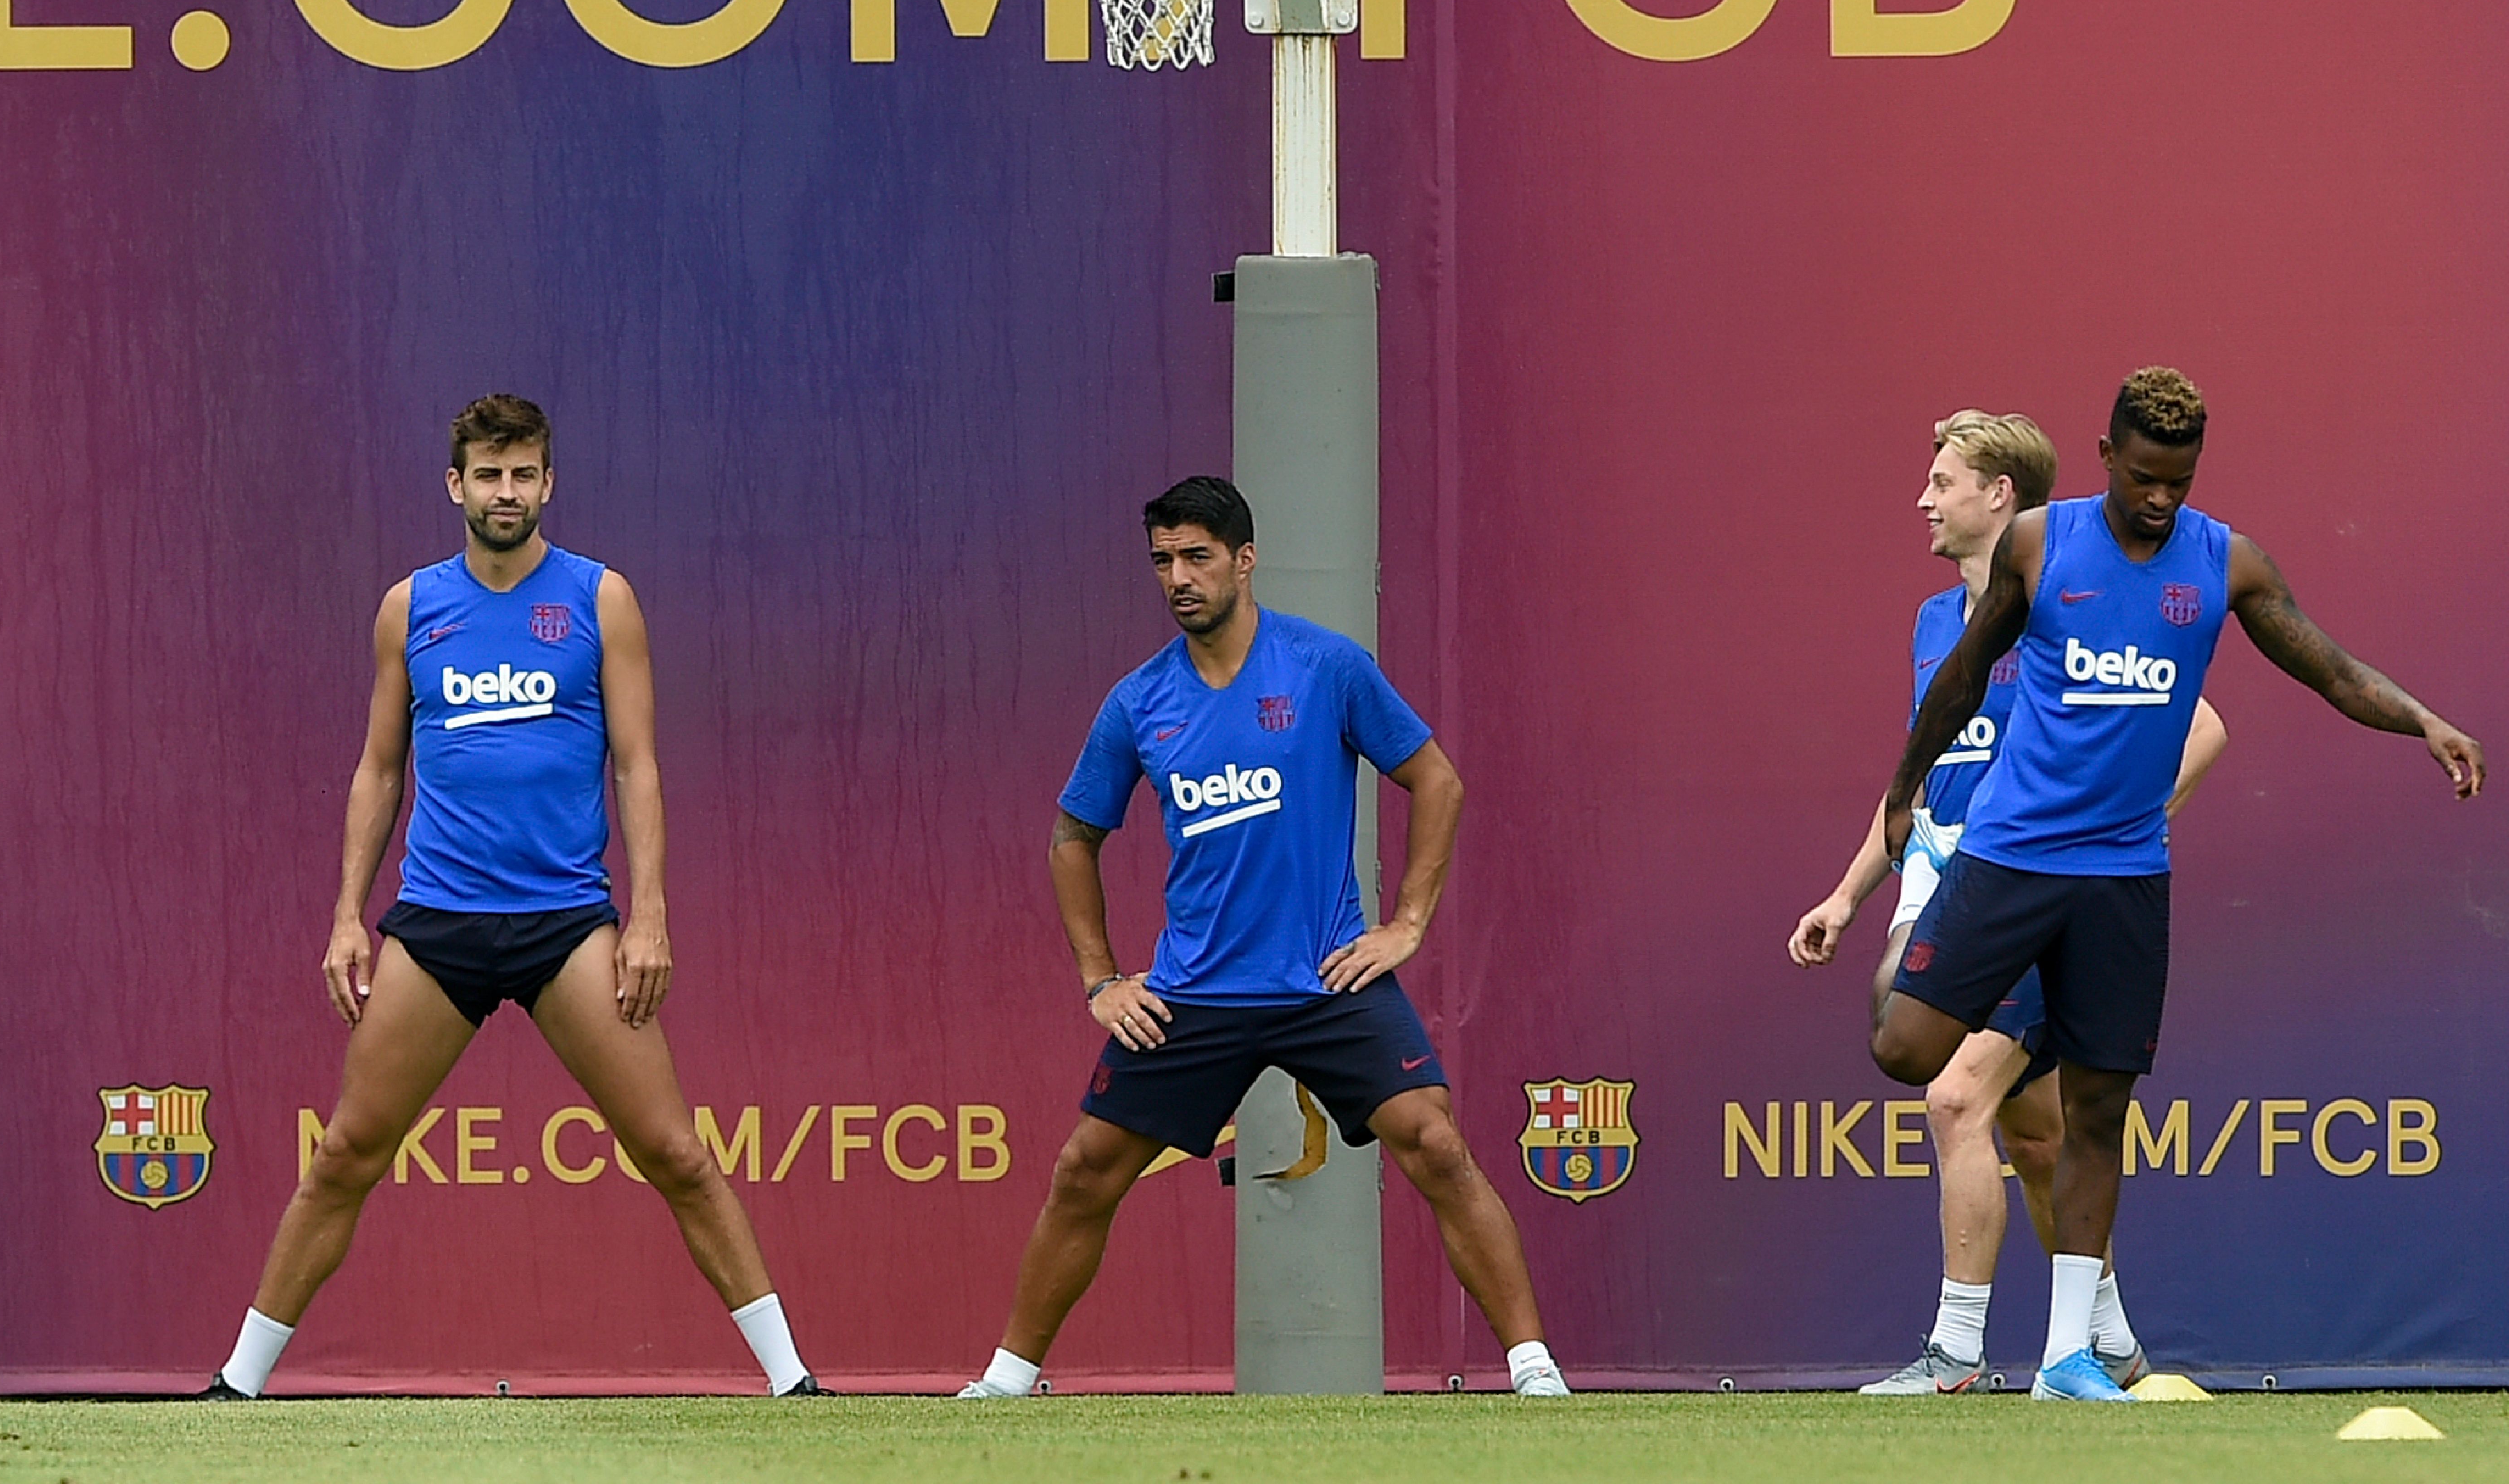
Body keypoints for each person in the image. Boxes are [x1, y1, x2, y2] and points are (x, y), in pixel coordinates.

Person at [1872, 369, 2482, 1400]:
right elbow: (1970, 672)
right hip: (2010, 856)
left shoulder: (2225, 559)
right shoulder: (2042, 543)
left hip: (2122, 877)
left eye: (2181, 481)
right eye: (2146, 478)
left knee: (2099, 1114)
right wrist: (1903, 790)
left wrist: (2421, 717)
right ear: (2107, 456)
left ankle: (2070, 1356)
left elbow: (2326, 665)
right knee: (1904, 1046)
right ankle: (2028, 1061)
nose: (2162, 499)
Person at [200, 396, 822, 1399]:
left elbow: (638, 764)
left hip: (567, 922)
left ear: (548, 482)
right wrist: (346, 914)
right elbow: (376, 769)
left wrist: (650, 912)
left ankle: (794, 1384)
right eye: (488, 475)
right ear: (457, 485)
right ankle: (237, 1383)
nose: (506, 491)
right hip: (438, 921)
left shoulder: (599, 596)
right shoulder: (410, 606)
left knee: (673, 1149)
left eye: (524, 473)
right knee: (349, 1150)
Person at [958, 477, 1567, 1399]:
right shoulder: (1139, 701)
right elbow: (1071, 838)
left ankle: (1534, 1371)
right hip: (1195, 991)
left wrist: (1406, 923)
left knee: (1436, 1145)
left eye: (1198, 555)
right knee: (1084, 1170)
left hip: (1328, 981)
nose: (1179, 577)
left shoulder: (1327, 667)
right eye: (1163, 560)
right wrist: (1100, 978)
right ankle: (1006, 1381)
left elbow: (1437, 781)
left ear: (1245, 560)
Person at [1791, 410, 2226, 1394]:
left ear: (2000, 496)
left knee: (1954, 1097)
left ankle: (1956, 1355)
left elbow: (2200, 725)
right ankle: (2107, 1341)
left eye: (1943, 480)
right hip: (1957, 890)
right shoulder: (1937, 621)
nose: (1924, 499)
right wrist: (1851, 890)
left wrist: (2110, 831)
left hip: (2046, 889)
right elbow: (1924, 770)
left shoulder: (2078, 594)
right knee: (2034, 1138)